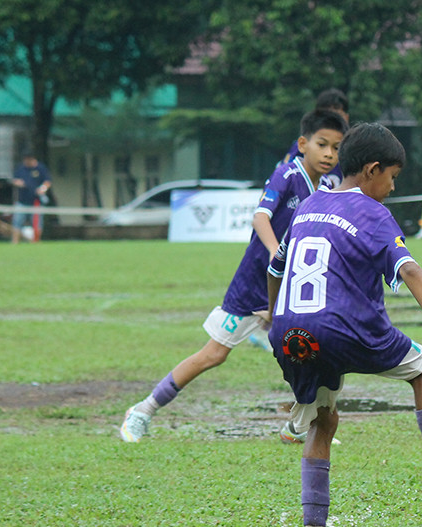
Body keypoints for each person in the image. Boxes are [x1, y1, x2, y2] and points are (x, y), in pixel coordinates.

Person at [263, 123, 422, 527]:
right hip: (341, 324)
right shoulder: (373, 212)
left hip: (289, 332)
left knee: (324, 420)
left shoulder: (310, 204)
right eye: (391, 177)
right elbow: (409, 270)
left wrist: (275, 318)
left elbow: (275, 268)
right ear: (372, 170)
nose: (391, 188)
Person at [118, 109, 348, 443]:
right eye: (322, 144)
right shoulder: (286, 174)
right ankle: (142, 411)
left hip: (290, 290)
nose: (329, 153)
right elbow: (260, 217)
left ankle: (301, 427)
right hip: (253, 286)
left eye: (336, 148)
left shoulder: (326, 187)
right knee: (213, 354)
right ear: (303, 144)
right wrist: (275, 252)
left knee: (315, 353)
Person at [282, 88, 349, 187]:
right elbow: (283, 176)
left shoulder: (352, 148)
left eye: (337, 115)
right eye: (321, 145)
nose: (332, 120)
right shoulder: (302, 146)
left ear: (346, 117)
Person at [10, 151, 51, 244]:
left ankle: (36, 241)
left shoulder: (41, 168)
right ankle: (14, 242)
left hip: (36, 201)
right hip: (22, 201)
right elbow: (14, 179)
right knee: (17, 222)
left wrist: (42, 189)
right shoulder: (21, 168)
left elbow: (47, 181)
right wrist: (18, 183)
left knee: (37, 223)